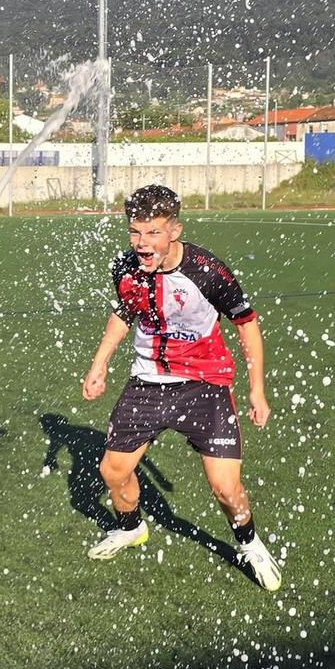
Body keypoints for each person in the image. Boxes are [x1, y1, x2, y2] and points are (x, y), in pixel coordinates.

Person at [79, 184, 280, 591]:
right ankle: (131, 528)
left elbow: (248, 326)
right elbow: (122, 314)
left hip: (205, 384)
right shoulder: (126, 267)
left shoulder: (208, 270)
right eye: (134, 232)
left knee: (225, 488)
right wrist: (99, 364)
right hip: (148, 381)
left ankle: (250, 542)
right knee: (112, 471)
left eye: (152, 232)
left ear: (174, 230)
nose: (141, 244)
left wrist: (257, 389)